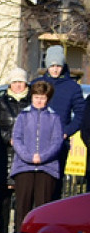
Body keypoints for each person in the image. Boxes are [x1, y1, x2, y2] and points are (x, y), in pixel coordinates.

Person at [11, 80, 64, 229]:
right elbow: (17, 138)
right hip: (24, 166)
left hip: (47, 167)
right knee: (22, 206)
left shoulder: (55, 118)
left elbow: (57, 142)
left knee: (43, 206)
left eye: (42, 98)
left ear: (48, 98)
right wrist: (29, 156)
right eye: (36, 97)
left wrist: (42, 157)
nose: (39, 101)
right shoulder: (23, 116)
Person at [33, 45, 84, 200]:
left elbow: (81, 114)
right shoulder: (37, 84)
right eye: (52, 65)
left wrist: (66, 132)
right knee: (35, 184)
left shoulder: (72, 87)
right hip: (36, 142)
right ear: (47, 65)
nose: (55, 69)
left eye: (58, 66)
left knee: (54, 184)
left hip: (59, 143)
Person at [0, 68, 30, 233]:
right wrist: (8, 138)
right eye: (15, 82)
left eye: (21, 81)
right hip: (3, 155)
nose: (18, 85)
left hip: (24, 156)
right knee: (3, 198)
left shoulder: (31, 102)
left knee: (23, 198)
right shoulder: (0, 102)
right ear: (10, 84)